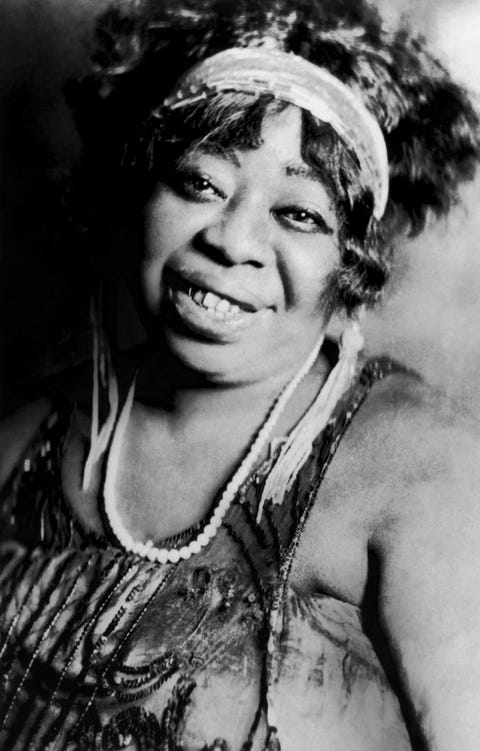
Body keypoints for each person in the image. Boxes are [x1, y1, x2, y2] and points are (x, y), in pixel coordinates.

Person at [0, 0, 480, 749]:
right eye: (200, 183)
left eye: (299, 214)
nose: (232, 239)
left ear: (352, 269)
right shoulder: (25, 435)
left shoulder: (424, 468)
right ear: (139, 197)